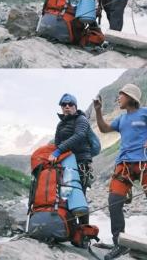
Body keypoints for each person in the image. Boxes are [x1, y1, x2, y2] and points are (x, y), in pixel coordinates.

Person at [94, 83, 147, 259]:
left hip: (146, 164)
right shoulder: (122, 119)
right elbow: (104, 129)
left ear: (130, 97)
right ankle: (119, 244)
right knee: (114, 202)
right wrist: (98, 111)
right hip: (124, 166)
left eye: (120, 95)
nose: (118, 98)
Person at [48, 93, 94, 224]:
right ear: (61, 107)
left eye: (70, 104)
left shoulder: (81, 119)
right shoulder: (60, 124)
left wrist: (58, 151)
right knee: (65, 195)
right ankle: (71, 229)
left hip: (81, 162)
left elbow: (79, 135)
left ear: (75, 106)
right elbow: (57, 142)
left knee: (79, 195)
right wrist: (56, 152)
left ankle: (84, 233)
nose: (67, 106)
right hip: (66, 163)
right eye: (64, 105)